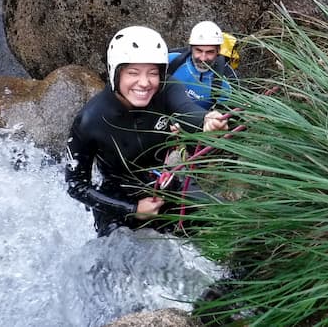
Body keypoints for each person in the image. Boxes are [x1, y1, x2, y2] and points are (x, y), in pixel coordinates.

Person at [64, 25, 228, 237]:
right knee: (121, 251)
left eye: (153, 73)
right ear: (115, 73)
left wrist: (207, 120)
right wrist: (132, 208)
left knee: (226, 217)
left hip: (164, 187)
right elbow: (75, 184)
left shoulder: (166, 89)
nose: (144, 83)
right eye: (133, 73)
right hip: (117, 201)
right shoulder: (90, 120)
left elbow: (187, 109)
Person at [168, 21, 239, 110]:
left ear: (218, 51)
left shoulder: (227, 81)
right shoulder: (172, 60)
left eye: (210, 52)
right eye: (199, 50)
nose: (203, 58)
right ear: (191, 48)